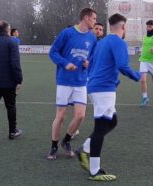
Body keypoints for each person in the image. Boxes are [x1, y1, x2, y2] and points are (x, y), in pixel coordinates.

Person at [76, 13, 140, 181]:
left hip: (97, 87)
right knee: (101, 127)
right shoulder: (118, 42)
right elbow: (122, 65)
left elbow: (93, 64)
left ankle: (84, 148)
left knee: (112, 121)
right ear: (123, 27)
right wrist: (137, 76)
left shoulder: (102, 42)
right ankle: (94, 171)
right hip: (103, 89)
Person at [47, 8, 97, 160]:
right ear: (86, 18)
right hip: (64, 81)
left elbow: (93, 57)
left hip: (81, 81)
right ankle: (54, 146)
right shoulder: (67, 33)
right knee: (61, 116)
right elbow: (53, 52)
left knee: (80, 116)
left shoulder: (93, 38)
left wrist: (89, 63)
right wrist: (65, 63)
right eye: (94, 18)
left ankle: (66, 141)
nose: (95, 22)